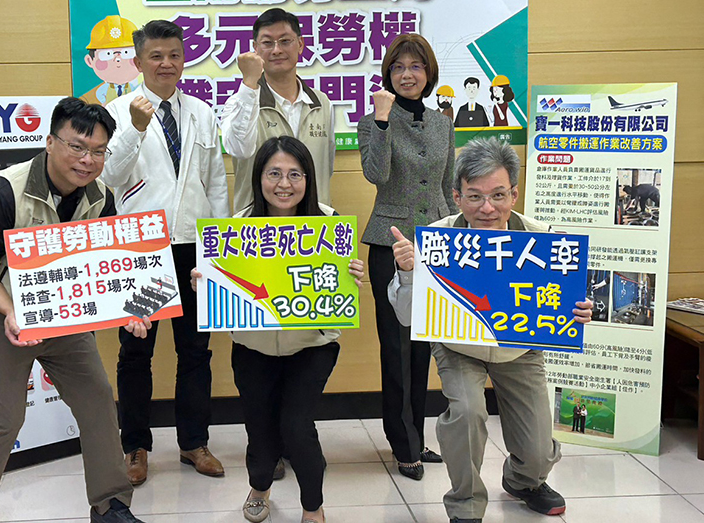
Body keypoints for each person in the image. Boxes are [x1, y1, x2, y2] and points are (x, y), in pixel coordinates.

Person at [0, 97, 146, 523]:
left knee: (97, 402)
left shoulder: (101, 197)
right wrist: (11, 312)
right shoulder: (4, 191)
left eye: (98, 151)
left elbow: (103, 266)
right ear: (50, 142)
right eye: (77, 147)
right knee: (0, 425)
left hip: (64, 315)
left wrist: (129, 308)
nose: (87, 160)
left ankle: (110, 506)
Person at [388, 137, 594, 522]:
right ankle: (465, 503)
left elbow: (566, 302)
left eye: (498, 195)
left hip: (519, 346)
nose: (487, 208)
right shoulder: (435, 240)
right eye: (474, 196)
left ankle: (523, 481)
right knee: (466, 413)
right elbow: (405, 316)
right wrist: (408, 272)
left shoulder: (543, 238)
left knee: (538, 450)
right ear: (456, 196)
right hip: (458, 346)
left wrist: (579, 310)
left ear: (514, 194)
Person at [193, 136, 364, 523]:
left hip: (312, 346)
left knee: (297, 426)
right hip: (252, 348)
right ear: (259, 178)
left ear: (308, 179)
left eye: (294, 174)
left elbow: (337, 296)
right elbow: (223, 288)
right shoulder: (236, 227)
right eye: (274, 174)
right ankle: (260, 486)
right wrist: (205, 282)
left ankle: (313, 507)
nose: (284, 184)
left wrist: (351, 274)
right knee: (260, 426)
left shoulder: (330, 224)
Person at [102, 19, 230, 485]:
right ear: (137, 62)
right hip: (142, 249)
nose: (166, 64)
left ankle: (194, 442)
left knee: (196, 350)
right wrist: (135, 130)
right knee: (136, 352)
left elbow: (216, 181)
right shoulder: (116, 112)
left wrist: (218, 247)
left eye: (174, 55)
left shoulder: (201, 111)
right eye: (155, 56)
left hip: (194, 246)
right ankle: (134, 446)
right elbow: (108, 178)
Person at [357, 32, 455, 481]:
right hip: (389, 242)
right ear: (388, 75)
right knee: (396, 347)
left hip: (435, 243)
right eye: (398, 68)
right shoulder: (373, 122)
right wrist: (381, 121)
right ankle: (402, 444)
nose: (407, 75)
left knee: (423, 347)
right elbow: (377, 174)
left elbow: (448, 187)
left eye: (415, 66)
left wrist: (456, 238)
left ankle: (416, 434)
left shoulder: (442, 124)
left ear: (428, 72)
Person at [222, 8, 334, 212]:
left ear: (300, 44)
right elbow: (239, 149)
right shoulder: (239, 102)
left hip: (313, 224)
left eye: (285, 41)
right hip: (257, 224)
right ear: (255, 48)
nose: (276, 50)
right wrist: (249, 82)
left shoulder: (321, 103)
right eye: (267, 43)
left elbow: (326, 168)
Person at [79, 15, 142, 106]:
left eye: (126, 53)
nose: (117, 59)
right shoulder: (88, 99)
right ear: (89, 61)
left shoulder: (146, 93)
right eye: (107, 54)